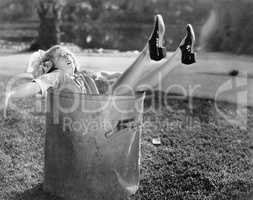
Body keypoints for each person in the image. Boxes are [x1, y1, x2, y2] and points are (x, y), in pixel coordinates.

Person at [4, 14, 196, 117]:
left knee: (136, 85)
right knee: (129, 87)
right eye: (61, 56)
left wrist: (117, 76)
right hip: (94, 118)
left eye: (68, 53)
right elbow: (35, 85)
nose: (67, 55)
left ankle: (178, 55)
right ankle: (150, 51)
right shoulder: (58, 78)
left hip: (105, 109)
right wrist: (10, 96)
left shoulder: (82, 75)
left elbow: (107, 76)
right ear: (50, 65)